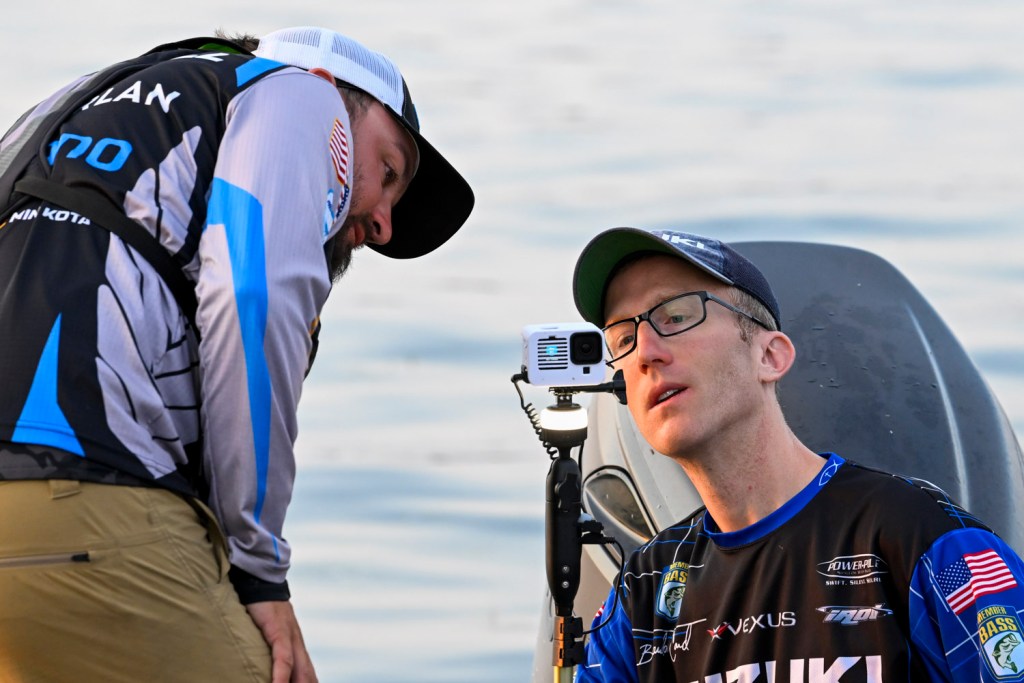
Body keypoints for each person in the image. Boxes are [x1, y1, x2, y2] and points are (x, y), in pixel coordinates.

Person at [0, 26, 473, 682]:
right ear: (333, 91)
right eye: (388, 172)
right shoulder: (301, 94)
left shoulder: (74, 100)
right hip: (84, 491)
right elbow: (252, 292)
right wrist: (258, 568)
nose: (383, 226)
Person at [569, 227, 1024, 682]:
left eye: (676, 316)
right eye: (622, 339)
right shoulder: (643, 592)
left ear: (770, 356)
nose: (645, 353)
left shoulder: (923, 542)